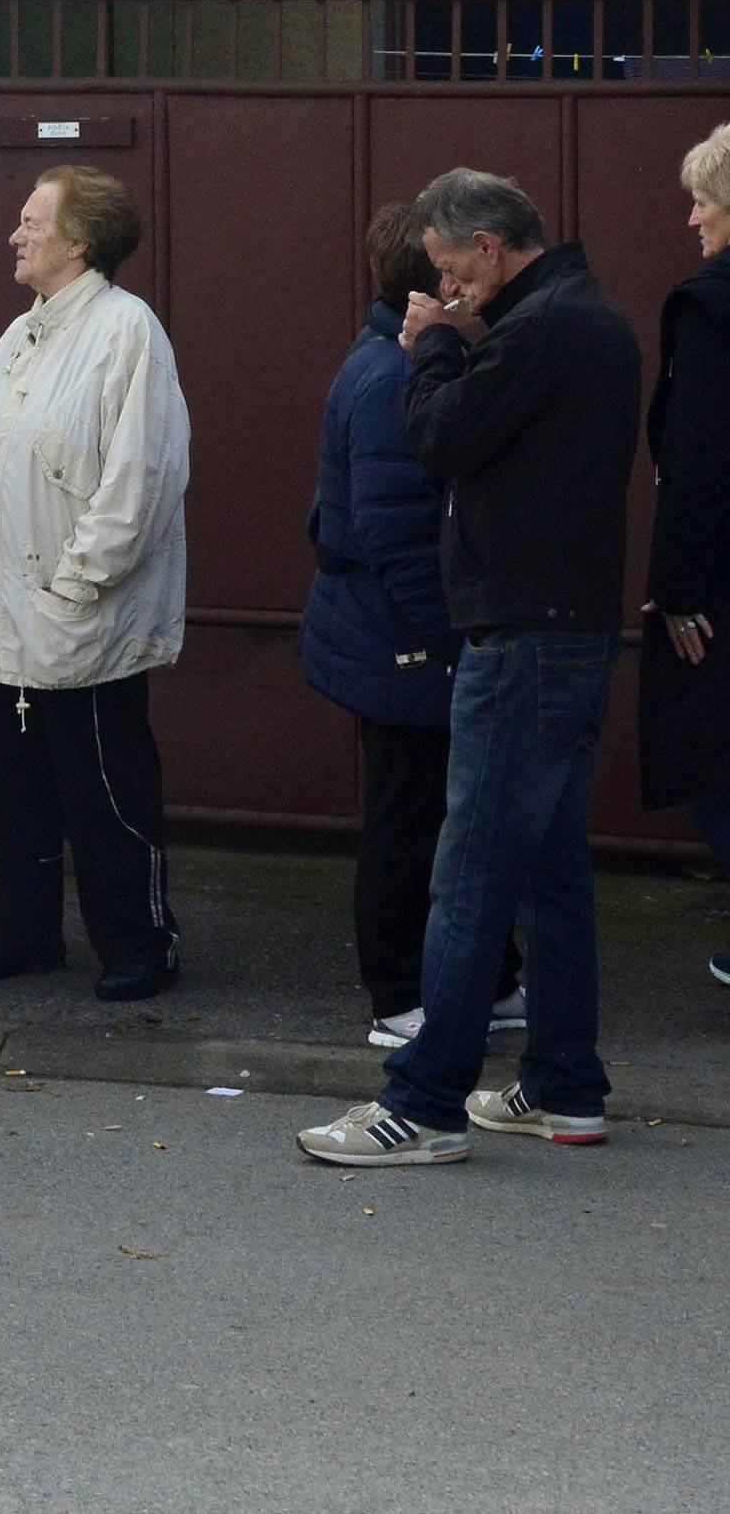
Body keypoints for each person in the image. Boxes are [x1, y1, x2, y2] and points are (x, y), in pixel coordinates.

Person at [299, 169, 640, 1168]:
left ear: (489, 247)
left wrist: (434, 343)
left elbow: (443, 435)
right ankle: (564, 1085)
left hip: (522, 637)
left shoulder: (541, 330)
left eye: (452, 270)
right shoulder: (585, 319)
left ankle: (424, 1101)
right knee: (550, 870)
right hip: (565, 629)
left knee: (472, 869)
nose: (448, 287)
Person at [0, 165, 188, 1002]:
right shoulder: (19, 336)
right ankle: (24, 931)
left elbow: (141, 479)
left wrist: (78, 585)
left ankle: (139, 943)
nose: (15, 234)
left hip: (83, 624)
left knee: (106, 794)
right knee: (15, 794)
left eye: (31, 220)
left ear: (80, 240)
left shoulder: (127, 330)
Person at [301, 202, 524, 1049]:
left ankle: (491, 978)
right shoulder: (393, 375)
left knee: (447, 811)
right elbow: (396, 529)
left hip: (394, 634)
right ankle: (397, 997)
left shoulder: (401, 362)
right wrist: (446, 637)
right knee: (408, 818)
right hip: (402, 640)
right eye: (459, 266)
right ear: (434, 278)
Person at [638, 121, 730, 988]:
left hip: (718, 579)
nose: (692, 220)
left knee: (710, 762)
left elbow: (696, 460)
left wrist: (672, 589)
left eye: (702, 201)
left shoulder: (709, 309)